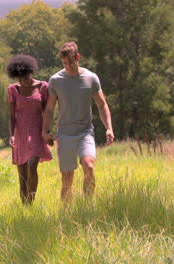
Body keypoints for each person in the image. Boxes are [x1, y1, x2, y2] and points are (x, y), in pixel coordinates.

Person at [42, 42, 114, 204]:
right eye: (64, 63)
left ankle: (87, 206)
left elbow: (102, 105)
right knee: (67, 179)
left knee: (89, 166)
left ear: (78, 58)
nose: (68, 66)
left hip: (85, 132)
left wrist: (109, 128)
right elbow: (49, 109)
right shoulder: (56, 80)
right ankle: (66, 214)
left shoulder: (91, 78)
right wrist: (44, 131)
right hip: (64, 134)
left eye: (71, 62)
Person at [6, 55, 53, 204]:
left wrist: (47, 132)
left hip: (37, 133)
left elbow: (48, 112)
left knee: (32, 165)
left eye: (24, 77)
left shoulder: (43, 87)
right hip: (20, 134)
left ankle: (31, 200)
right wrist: (12, 135)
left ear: (30, 73)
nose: (22, 81)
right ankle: (25, 208)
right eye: (19, 79)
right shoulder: (12, 89)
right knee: (22, 176)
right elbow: (12, 116)